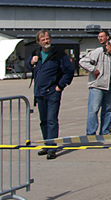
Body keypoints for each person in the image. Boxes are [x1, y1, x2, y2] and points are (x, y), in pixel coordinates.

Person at [30, 30, 75, 159]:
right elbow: (29, 66)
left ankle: (52, 148)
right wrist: (32, 62)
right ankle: (47, 143)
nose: (46, 41)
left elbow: (69, 71)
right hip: (39, 93)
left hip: (52, 93)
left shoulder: (59, 54)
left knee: (51, 120)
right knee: (43, 121)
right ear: (39, 42)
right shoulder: (36, 53)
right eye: (43, 39)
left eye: (47, 38)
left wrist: (60, 86)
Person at [79, 37, 111, 135]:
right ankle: (91, 133)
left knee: (108, 110)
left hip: (110, 86)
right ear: (110, 45)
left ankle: (104, 131)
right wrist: (93, 69)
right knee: (94, 110)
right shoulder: (99, 52)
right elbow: (82, 62)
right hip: (97, 86)